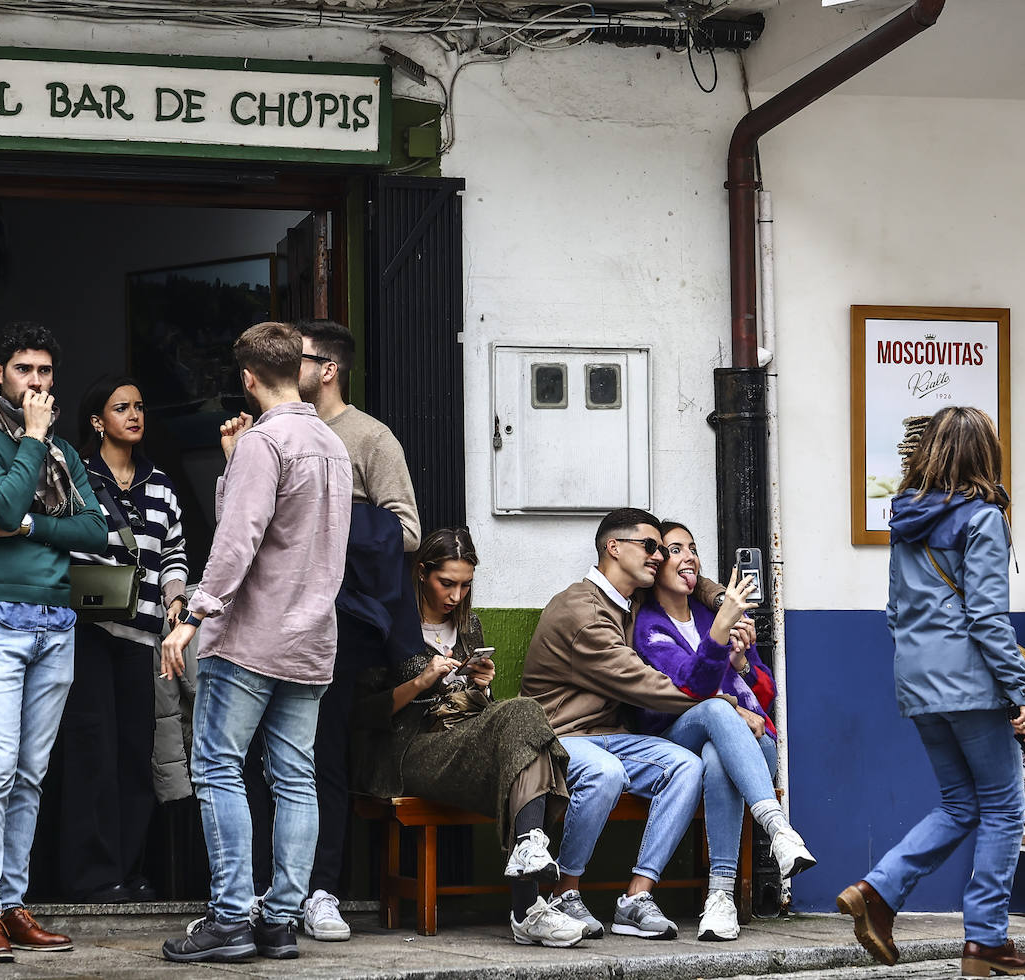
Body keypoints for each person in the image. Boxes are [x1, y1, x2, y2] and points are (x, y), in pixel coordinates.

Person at [159, 322, 352, 963]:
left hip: (248, 637)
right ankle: (278, 920)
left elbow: (237, 538)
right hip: (311, 638)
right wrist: (232, 464)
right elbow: (289, 530)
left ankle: (230, 918)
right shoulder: (330, 442)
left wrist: (192, 615)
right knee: (297, 778)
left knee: (218, 767)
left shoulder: (264, 444)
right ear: (299, 368)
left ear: (246, 378)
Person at [836, 406, 1025, 978]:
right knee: (1003, 807)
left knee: (960, 803)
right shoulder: (984, 519)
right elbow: (987, 619)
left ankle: (877, 892)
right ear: (986, 456)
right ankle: (986, 943)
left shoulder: (907, 518)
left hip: (919, 683)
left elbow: (895, 612)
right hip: (973, 684)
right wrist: (1022, 692)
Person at [0, 322, 108, 962]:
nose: (36, 383)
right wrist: (34, 442)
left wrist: (32, 525)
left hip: (56, 622)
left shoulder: (65, 452)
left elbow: (97, 531)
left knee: (32, 774)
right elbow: (2, 505)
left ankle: (14, 905)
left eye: (44, 373)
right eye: (23, 371)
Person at [520, 507, 751, 941]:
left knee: (686, 766)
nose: (658, 557)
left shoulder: (628, 600)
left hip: (612, 736)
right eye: (650, 547)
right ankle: (564, 892)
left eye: (662, 550)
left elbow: (691, 582)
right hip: (559, 737)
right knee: (606, 774)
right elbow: (645, 684)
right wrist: (715, 699)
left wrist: (718, 598)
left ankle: (635, 898)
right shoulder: (582, 611)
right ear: (613, 547)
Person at [349, 528, 585, 946]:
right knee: (526, 721)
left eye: (465, 585)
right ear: (422, 573)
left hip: (461, 740)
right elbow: (363, 712)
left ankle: (529, 863)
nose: (456, 595)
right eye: (447, 583)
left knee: (524, 745)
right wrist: (421, 681)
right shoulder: (389, 622)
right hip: (409, 749)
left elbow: (473, 705)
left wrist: (483, 687)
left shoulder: (469, 625)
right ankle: (528, 906)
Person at [296, 318, 422, 942]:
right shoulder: (276, 429)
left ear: (328, 368)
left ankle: (323, 889)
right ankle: (272, 889)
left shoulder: (370, 437)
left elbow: (408, 531)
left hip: (339, 622)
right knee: (273, 755)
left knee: (324, 754)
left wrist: (333, 515)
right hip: (279, 616)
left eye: (298, 356)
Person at [631, 520, 816, 941]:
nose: (689, 556)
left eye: (692, 548)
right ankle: (777, 828)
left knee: (719, 757)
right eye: (675, 549)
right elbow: (690, 686)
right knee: (715, 712)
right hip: (679, 739)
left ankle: (720, 898)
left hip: (746, 745)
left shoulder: (710, 613)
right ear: (657, 565)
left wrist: (743, 665)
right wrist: (728, 697)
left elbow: (764, 696)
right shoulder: (649, 629)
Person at [59, 375, 189, 903]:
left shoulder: (161, 485)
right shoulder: (75, 476)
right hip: (89, 633)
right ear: (97, 421)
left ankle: (128, 872)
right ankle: (91, 877)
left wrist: (177, 601)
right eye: (121, 407)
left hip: (143, 640)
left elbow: (175, 551)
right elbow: (61, 539)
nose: (134, 415)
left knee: (138, 755)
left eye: (139, 406)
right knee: (93, 753)